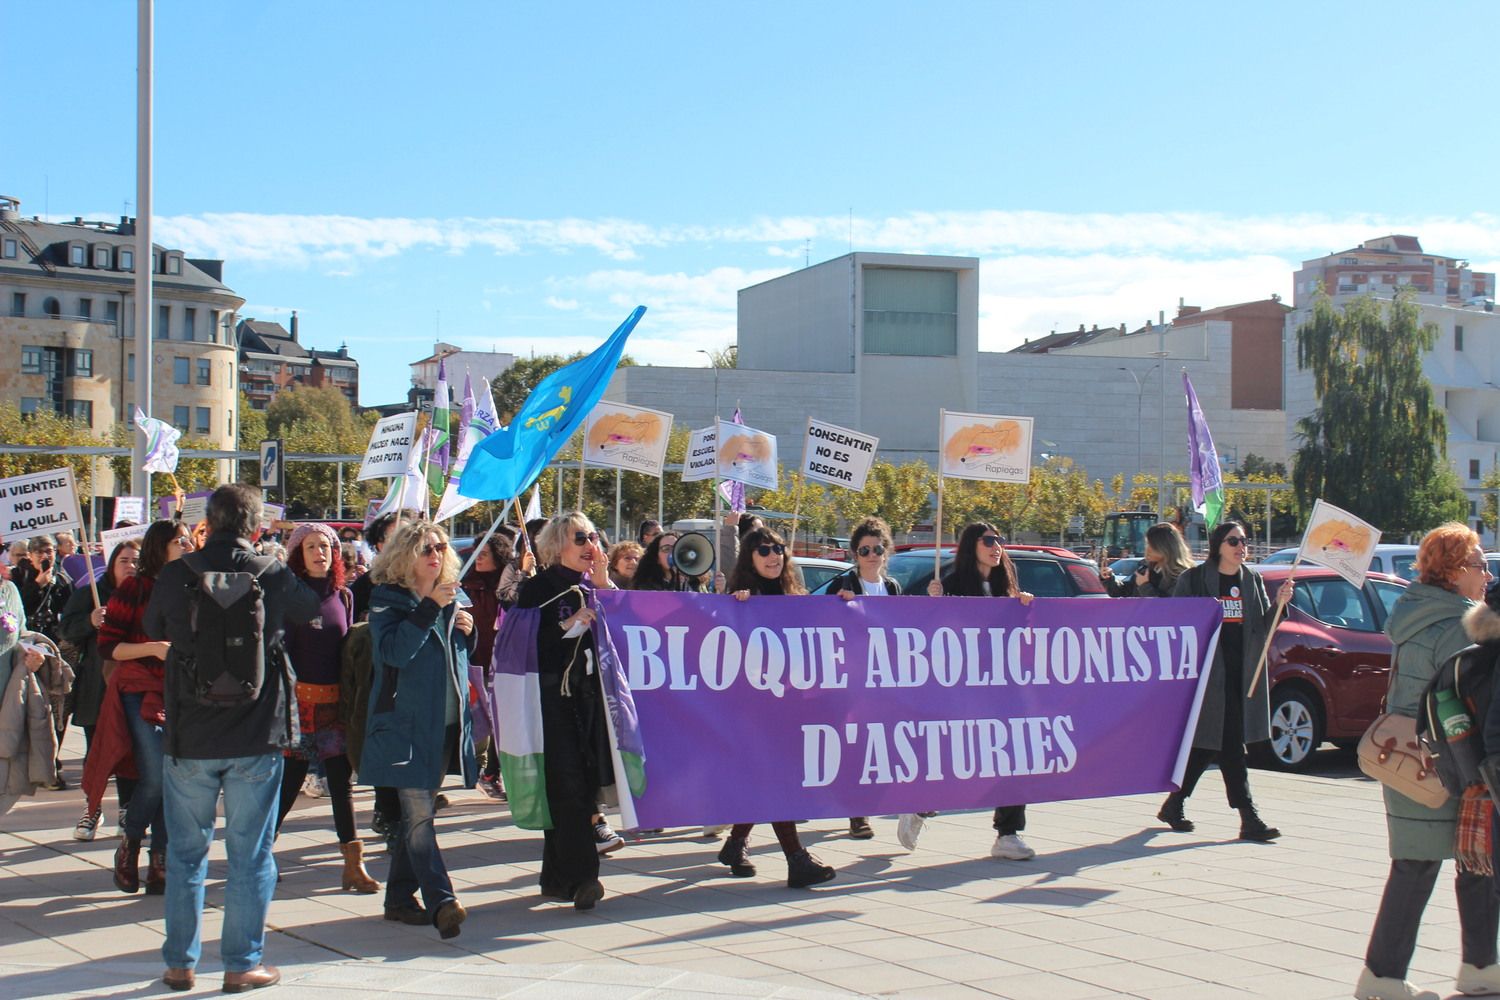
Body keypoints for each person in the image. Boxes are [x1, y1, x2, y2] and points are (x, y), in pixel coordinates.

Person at [146, 484, 320, 993]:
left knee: (185, 854)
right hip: (254, 733)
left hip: (190, 736)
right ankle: (242, 964)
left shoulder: (178, 574)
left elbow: (153, 624)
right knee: (250, 854)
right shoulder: (269, 570)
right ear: (254, 525)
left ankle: (180, 963)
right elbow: (311, 605)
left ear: (210, 521)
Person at [1355, 523, 1500, 1000]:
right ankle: (1384, 976)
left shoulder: (1413, 612)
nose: (1484, 574)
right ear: (1456, 571)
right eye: (1478, 564)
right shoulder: (1456, 625)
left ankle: (1477, 967)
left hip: (1406, 757)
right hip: (1442, 761)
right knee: (1428, 865)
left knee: (1461, 862)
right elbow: (1466, 699)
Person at [360, 520, 477, 939]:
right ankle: (442, 900)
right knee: (418, 817)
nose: (436, 554)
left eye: (442, 547)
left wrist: (468, 631)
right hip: (403, 727)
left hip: (443, 724)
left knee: (418, 815)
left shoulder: (451, 596)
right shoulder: (388, 598)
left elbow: (454, 659)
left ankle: (397, 899)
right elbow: (394, 653)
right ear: (405, 555)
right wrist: (428, 607)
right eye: (427, 548)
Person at [715, 526, 837, 889]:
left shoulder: (795, 596)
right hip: (752, 709)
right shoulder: (741, 599)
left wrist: (843, 601)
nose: (773, 556)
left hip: (791, 705)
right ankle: (796, 859)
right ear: (749, 558)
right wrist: (730, 607)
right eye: (764, 550)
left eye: (778, 549)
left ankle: (735, 844)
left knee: (766, 778)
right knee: (774, 777)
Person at [509, 512, 620, 909]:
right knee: (569, 788)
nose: (590, 544)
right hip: (551, 701)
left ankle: (555, 877)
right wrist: (568, 624)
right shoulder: (538, 588)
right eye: (580, 538)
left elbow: (623, 627)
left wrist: (605, 583)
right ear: (557, 546)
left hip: (589, 701)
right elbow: (525, 645)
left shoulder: (594, 586)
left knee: (580, 786)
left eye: (593, 536)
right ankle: (582, 878)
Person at [1163, 519, 1291, 841]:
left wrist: (1280, 605)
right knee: (1230, 745)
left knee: (1210, 744)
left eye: (1244, 541)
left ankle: (1175, 803)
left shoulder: (1252, 580)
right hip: (1208, 678)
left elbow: (1263, 627)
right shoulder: (1195, 580)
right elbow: (1177, 625)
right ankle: (1249, 817)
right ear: (1218, 545)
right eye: (1233, 541)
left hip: (1241, 675)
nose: (1241, 548)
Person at [915, 523, 1037, 859]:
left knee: (1015, 754)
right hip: (963, 691)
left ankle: (1008, 832)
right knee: (954, 754)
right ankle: (919, 803)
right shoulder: (952, 584)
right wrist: (934, 603)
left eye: (999, 540)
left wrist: (1023, 607)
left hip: (1003, 690)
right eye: (988, 541)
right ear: (972, 546)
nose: (996, 546)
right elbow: (926, 632)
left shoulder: (1006, 587)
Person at [273, 523, 379, 895]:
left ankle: (353, 865)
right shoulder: (290, 596)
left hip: (336, 705)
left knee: (341, 783)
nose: (320, 553)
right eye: (311, 547)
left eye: (326, 546)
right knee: (289, 782)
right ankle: (260, 854)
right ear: (298, 556)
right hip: (299, 705)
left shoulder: (344, 596)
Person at [87, 520, 190, 897]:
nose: (188, 545)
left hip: (183, 694)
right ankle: (131, 845)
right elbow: (108, 646)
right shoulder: (135, 587)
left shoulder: (193, 585)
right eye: (180, 540)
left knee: (175, 778)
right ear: (161, 546)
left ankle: (159, 860)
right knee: (156, 774)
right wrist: (153, 648)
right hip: (139, 689)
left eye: (190, 539)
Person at [829, 517, 902, 842]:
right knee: (856, 745)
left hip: (884, 680)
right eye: (865, 549)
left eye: (878, 548)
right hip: (852, 680)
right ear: (855, 554)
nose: (872, 554)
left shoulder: (893, 587)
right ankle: (857, 814)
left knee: (881, 743)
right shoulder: (843, 586)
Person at [63, 539, 140, 841]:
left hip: (131, 684)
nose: (131, 566)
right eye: (124, 560)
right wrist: (89, 620)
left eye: (135, 560)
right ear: (111, 564)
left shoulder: (144, 594)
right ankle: (91, 808)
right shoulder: (89, 595)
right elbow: (66, 629)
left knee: (129, 751)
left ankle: (128, 809)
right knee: (96, 751)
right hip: (96, 686)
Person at [19, 534, 73, 789]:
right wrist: (37, 584)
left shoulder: (62, 580)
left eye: (49, 550)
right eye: (39, 550)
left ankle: (51, 760)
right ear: (30, 555)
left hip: (54, 653)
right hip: (25, 655)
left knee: (57, 709)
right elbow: (18, 609)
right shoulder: (19, 579)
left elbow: (70, 614)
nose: (45, 555)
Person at [462, 530, 513, 802]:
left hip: (501, 662)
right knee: (475, 723)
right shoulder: (464, 586)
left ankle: (490, 774)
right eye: (476, 553)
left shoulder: (509, 587)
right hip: (471, 664)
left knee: (500, 722)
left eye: (485, 553)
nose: (478, 558)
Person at [1101, 522, 1193, 598]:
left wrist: (1144, 586)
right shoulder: (1145, 569)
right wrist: (1109, 578)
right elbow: (1123, 592)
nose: (1147, 549)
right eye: (1147, 544)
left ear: (1165, 547)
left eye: (1152, 545)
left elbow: (1167, 608)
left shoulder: (1181, 576)